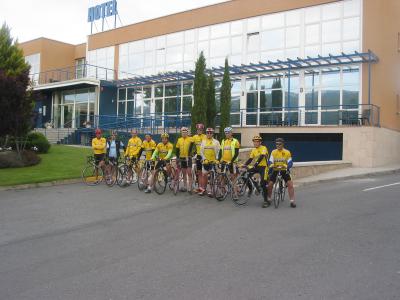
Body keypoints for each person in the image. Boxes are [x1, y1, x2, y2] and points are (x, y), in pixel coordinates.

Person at [266, 138, 296, 208]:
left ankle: (292, 201)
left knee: (290, 184)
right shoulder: (273, 152)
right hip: (276, 169)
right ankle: (269, 199)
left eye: (279, 144)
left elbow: (290, 162)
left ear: (283, 144)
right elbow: (270, 161)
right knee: (270, 184)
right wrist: (271, 165)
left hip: (284, 170)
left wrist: (287, 166)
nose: (278, 145)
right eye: (276, 144)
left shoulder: (287, 152)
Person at [243, 135, 268, 200]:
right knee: (244, 175)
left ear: (260, 142)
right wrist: (245, 164)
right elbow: (250, 159)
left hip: (264, 167)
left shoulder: (264, 148)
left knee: (263, 183)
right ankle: (251, 188)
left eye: (257, 141)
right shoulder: (253, 150)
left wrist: (256, 164)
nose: (255, 143)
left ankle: (266, 200)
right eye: (254, 141)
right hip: (256, 166)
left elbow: (262, 156)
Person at [218, 127, 241, 199]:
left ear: (231, 133)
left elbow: (236, 153)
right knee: (222, 177)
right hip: (224, 162)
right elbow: (221, 152)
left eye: (228, 132)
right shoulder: (223, 141)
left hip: (232, 162)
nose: (227, 134)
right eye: (226, 133)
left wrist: (231, 161)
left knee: (233, 177)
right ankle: (222, 192)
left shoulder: (235, 141)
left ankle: (235, 194)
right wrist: (218, 160)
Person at [198, 128, 220, 196]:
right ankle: (203, 189)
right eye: (208, 133)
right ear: (206, 133)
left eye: (210, 133)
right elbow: (201, 151)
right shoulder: (203, 141)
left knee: (212, 176)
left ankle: (211, 190)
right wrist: (204, 159)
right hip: (205, 161)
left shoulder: (216, 142)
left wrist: (216, 159)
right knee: (204, 175)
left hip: (213, 161)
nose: (209, 134)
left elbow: (218, 151)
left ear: (213, 134)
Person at [175, 127, 194, 193]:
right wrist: (177, 157)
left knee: (189, 172)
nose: (184, 133)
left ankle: (190, 187)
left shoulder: (191, 139)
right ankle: (185, 186)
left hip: (188, 157)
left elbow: (192, 147)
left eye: (185, 132)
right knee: (184, 173)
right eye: (183, 132)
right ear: (181, 133)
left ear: (187, 132)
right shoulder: (179, 139)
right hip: (181, 157)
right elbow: (177, 149)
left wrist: (190, 154)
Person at [192, 123, 206, 192]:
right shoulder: (194, 137)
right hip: (198, 156)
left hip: (205, 156)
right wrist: (192, 152)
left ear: (202, 130)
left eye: (200, 130)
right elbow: (191, 145)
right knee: (199, 173)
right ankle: (200, 187)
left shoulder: (205, 136)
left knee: (204, 173)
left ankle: (204, 188)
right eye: (198, 129)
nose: (199, 131)